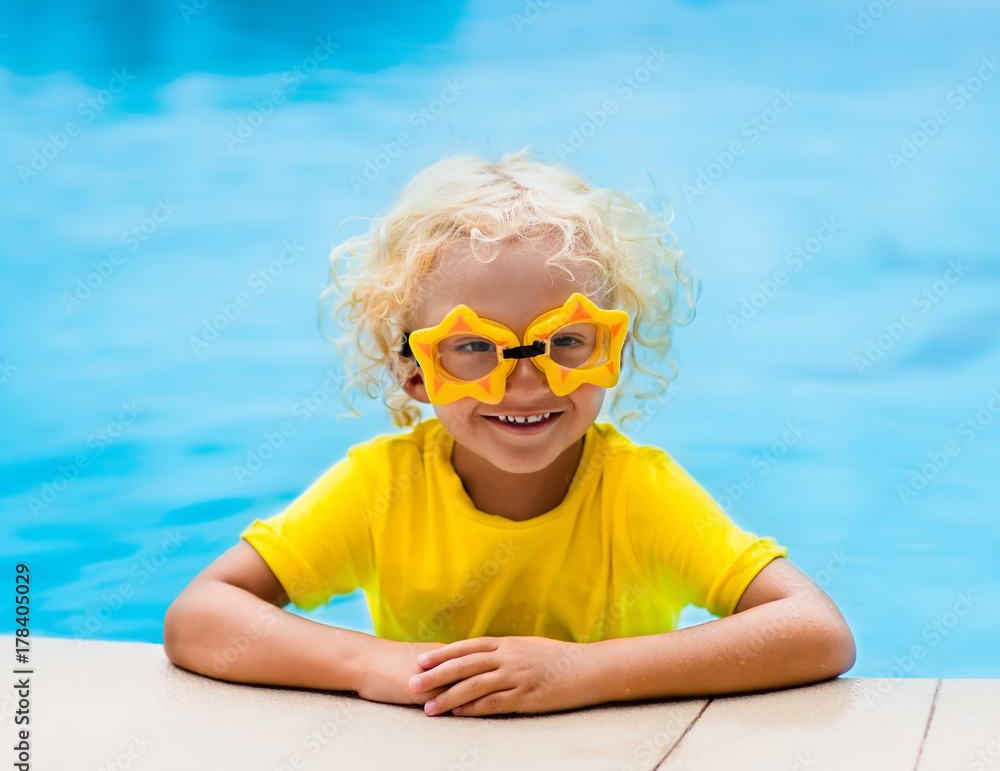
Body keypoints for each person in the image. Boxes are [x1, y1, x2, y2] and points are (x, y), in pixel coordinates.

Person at [164, 148, 855, 717]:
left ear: (613, 351)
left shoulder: (635, 495)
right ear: (413, 373)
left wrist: (584, 673)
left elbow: (815, 631)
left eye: (566, 341)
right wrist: (371, 663)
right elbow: (200, 616)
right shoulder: (382, 489)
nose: (524, 384)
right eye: (473, 347)